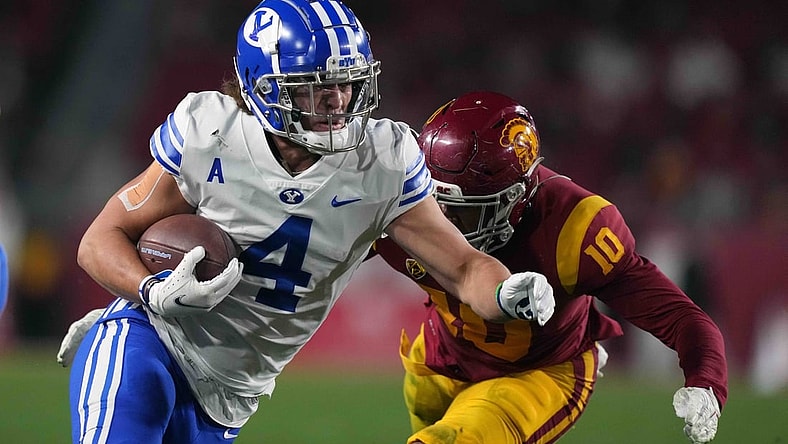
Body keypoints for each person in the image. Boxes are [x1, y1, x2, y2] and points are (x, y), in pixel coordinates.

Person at [57, 3, 556, 443]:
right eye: (317, 89)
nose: (339, 101)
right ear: (264, 89)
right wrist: (149, 291)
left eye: (346, 83)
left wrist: (508, 291)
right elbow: (99, 240)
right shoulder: (210, 130)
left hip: (230, 394)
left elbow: (466, 268)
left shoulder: (381, 162)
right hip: (152, 339)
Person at [370, 91, 728, 444]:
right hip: (440, 357)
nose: (439, 220)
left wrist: (707, 380)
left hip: (540, 371)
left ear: (514, 197)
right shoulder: (401, 199)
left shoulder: (574, 228)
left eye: (460, 209)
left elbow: (680, 316)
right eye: (434, 199)